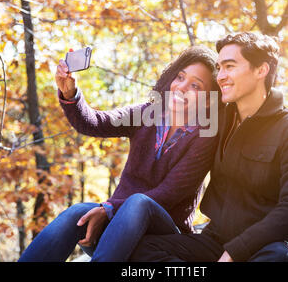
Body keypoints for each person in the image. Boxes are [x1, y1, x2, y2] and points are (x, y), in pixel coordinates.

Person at [18, 45, 222, 262]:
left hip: (163, 234)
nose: (181, 87)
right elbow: (95, 123)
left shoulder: (206, 136)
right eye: (180, 77)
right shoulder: (146, 114)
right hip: (118, 228)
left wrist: (109, 208)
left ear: (209, 99)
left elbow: (169, 192)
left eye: (195, 86)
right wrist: (70, 94)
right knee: (77, 213)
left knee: (139, 202)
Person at [129, 32, 288, 262]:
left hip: (267, 246)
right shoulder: (218, 119)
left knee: (279, 259)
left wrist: (236, 251)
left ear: (261, 70)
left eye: (229, 66)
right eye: (219, 68)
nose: (221, 76)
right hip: (214, 240)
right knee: (136, 248)